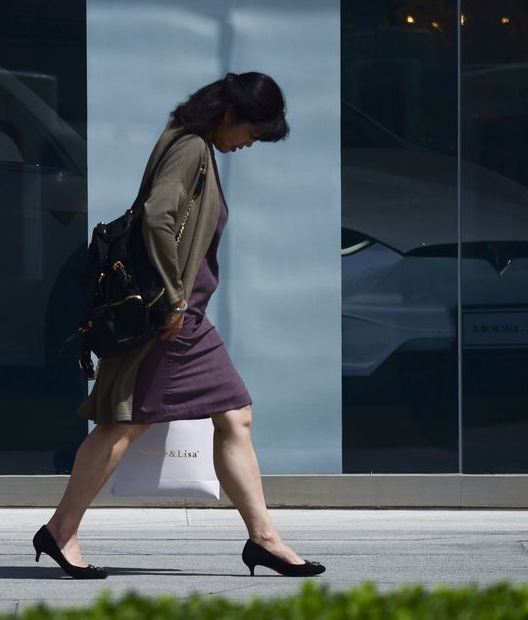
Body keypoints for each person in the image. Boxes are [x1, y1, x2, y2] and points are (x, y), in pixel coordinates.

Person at [35, 72, 323, 580]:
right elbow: (156, 216)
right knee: (125, 423)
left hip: (185, 314)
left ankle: (264, 539)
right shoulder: (190, 146)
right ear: (230, 114)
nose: (248, 144)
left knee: (233, 414)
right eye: (251, 134)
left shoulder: (191, 140)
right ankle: (61, 530)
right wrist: (171, 298)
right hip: (173, 317)